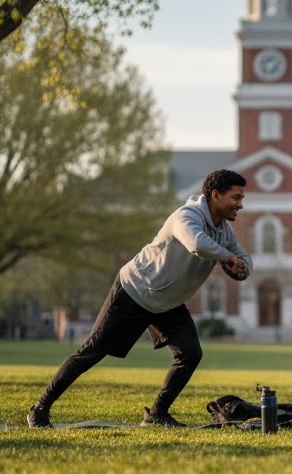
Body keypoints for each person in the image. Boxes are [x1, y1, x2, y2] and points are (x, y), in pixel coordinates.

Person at [27, 169, 253, 428]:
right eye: (236, 198)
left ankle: (157, 413)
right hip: (135, 289)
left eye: (242, 198)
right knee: (91, 352)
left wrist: (243, 267)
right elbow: (197, 244)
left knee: (190, 354)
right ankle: (40, 408)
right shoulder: (186, 216)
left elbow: (242, 256)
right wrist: (227, 258)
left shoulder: (224, 232)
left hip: (167, 303)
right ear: (215, 195)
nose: (240, 205)